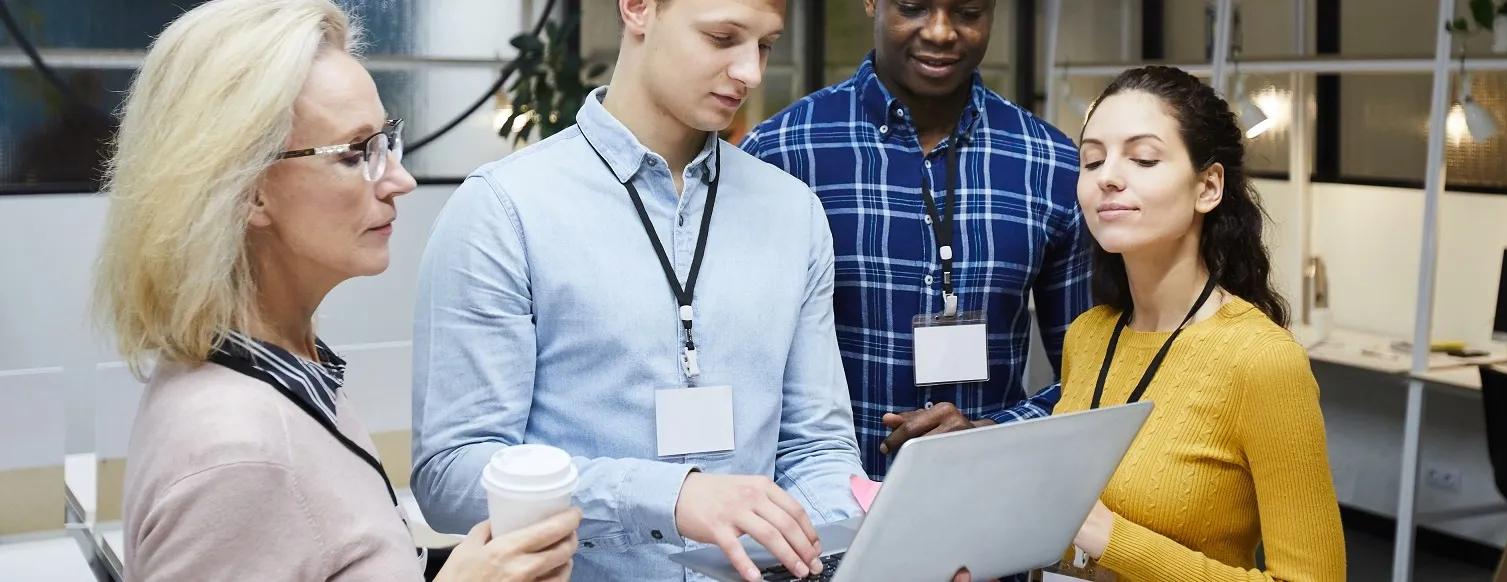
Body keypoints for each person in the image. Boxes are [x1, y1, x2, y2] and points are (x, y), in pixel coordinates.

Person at [95, 1, 579, 580]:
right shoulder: (238, 452)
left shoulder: (288, 369)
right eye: (355, 153)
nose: (401, 179)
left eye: (385, 141)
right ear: (248, 191)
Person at [410, 1, 880, 581]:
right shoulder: (505, 209)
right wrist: (667, 497)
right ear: (636, 8)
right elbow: (450, 475)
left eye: (764, 45)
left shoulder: (794, 212)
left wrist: (856, 536)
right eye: (722, 37)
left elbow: (817, 446)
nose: (751, 73)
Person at [740, 0, 1088, 478]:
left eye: (968, 11)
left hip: (986, 514)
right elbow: (739, 369)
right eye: (914, 7)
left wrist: (996, 430)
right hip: (820, 523)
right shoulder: (781, 154)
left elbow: (1094, 376)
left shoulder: (1050, 165)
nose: (942, 32)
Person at [1045, 65, 1345, 581]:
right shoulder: (1088, 336)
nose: (1108, 177)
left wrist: (1115, 541)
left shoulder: (1261, 360)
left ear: (1208, 187)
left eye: (1142, 158)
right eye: (1092, 160)